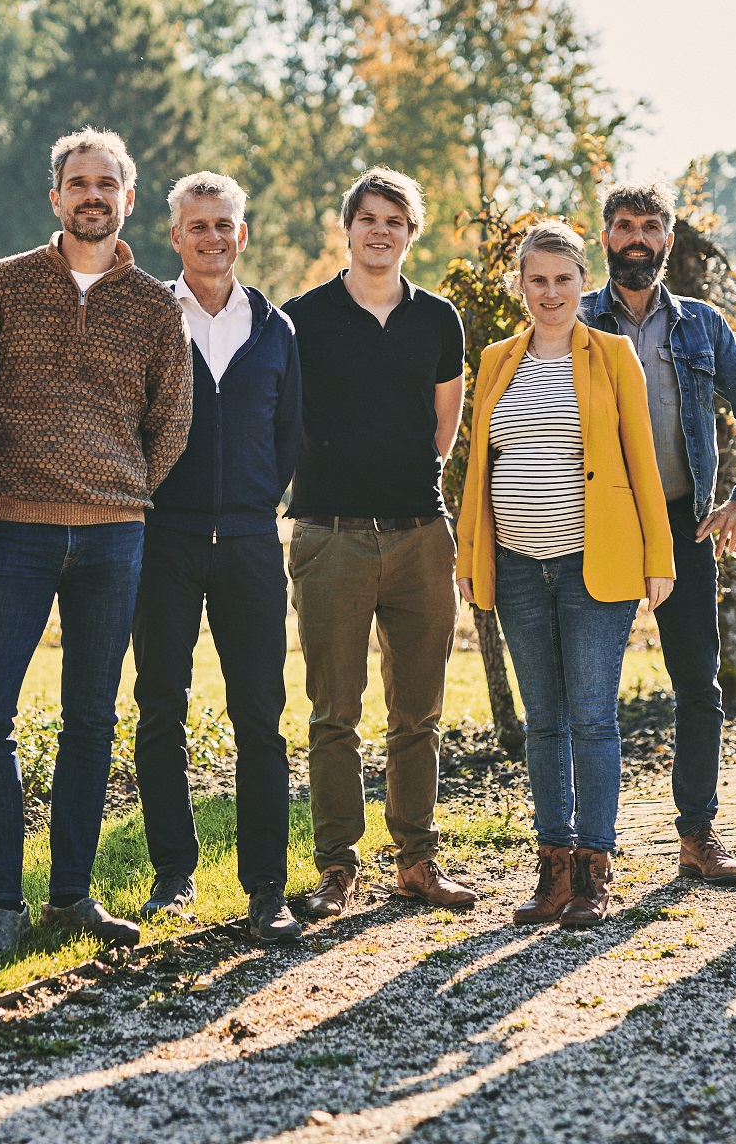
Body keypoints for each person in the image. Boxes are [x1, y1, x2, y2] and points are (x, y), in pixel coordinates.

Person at [0, 127, 193, 955]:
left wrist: (122, 492)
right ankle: (2, 903)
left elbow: (172, 422)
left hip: (113, 537)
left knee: (91, 719)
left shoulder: (157, 306)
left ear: (128, 199)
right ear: (55, 198)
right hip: (16, 531)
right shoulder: (2, 287)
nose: (92, 195)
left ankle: (70, 897)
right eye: (77, 182)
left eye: (107, 183)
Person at [457, 222, 676, 924]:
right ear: (519, 285)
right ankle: (551, 871)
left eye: (562, 278)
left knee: (591, 716)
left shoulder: (612, 355)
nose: (550, 292)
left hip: (596, 566)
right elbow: (475, 469)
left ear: (584, 281)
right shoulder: (495, 360)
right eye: (537, 279)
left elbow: (643, 460)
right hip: (519, 567)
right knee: (543, 721)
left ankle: (594, 872)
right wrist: (470, 557)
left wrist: (659, 559)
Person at [285, 167, 473, 918]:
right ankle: (337, 867)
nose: (379, 230)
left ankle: (417, 860)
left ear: (410, 232)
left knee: (418, 713)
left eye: (394, 220)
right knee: (335, 711)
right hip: (329, 535)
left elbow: (444, 428)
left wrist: (408, 491)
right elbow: (285, 421)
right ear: (348, 227)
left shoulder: (439, 320)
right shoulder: (302, 317)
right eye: (367, 217)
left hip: (420, 535)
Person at [578, 181, 736, 886]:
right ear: (605, 237)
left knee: (698, 685)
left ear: (668, 238)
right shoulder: (573, 322)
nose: (637, 237)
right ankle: (584, 848)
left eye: (651, 226)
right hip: (595, 527)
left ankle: (697, 837)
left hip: (683, 526)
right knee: (588, 693)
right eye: (625, 225)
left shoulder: (702, 326)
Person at [131, 171, 304, 944]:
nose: (211, 238)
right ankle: (174, 877)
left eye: (223, 225)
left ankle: (267, 887)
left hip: (249, 546)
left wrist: (253, 501)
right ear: (175, 237)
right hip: (160, 542)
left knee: (260, 716)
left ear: (243, 233)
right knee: (160, 708)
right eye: (196, 226)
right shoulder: (142, 316)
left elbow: (288, 437)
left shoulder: (274, 329)